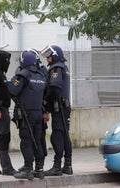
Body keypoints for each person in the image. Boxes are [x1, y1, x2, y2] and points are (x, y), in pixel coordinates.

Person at [8, 49, 47, 180]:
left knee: (26, 141)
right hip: (38, 112)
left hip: (27, 113)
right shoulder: (41, 76)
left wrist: (16, 76)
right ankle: (39, 169)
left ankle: (28, 169)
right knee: (37, 140)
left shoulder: (23, 74)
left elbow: (12, 90)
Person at [41, 44, 73, 176]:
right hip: (64, 107)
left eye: (48, 56)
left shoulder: (56, 68)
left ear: (54, 56)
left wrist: (45, 102)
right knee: (64, 135)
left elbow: (54, 88)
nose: (47, 59)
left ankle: (57, 166)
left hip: (59, 107)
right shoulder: (63, 67)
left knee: (57, 136)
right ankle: (68, 165)